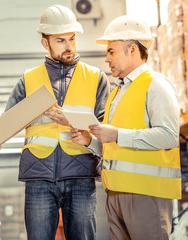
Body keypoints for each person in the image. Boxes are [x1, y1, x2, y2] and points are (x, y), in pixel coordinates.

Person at [0, 5, 111, 240]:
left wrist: (89, 139)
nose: (69, 46)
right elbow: (5, 125)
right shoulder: (28, 80)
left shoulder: (96, 78)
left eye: (71, 39)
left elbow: (107, 133)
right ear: (45, 43)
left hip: (80, 175)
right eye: (60, 40)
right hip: (38, 175)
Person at [70, 15, 182, 240]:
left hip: (145, 194)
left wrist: (117, 134)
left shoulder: (156, 85)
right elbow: (116, 145)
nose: (106, 59)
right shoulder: (116, 93)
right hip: (115, 194)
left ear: (132, 49)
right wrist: (91, 142)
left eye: (111, 51)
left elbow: (169, 136)